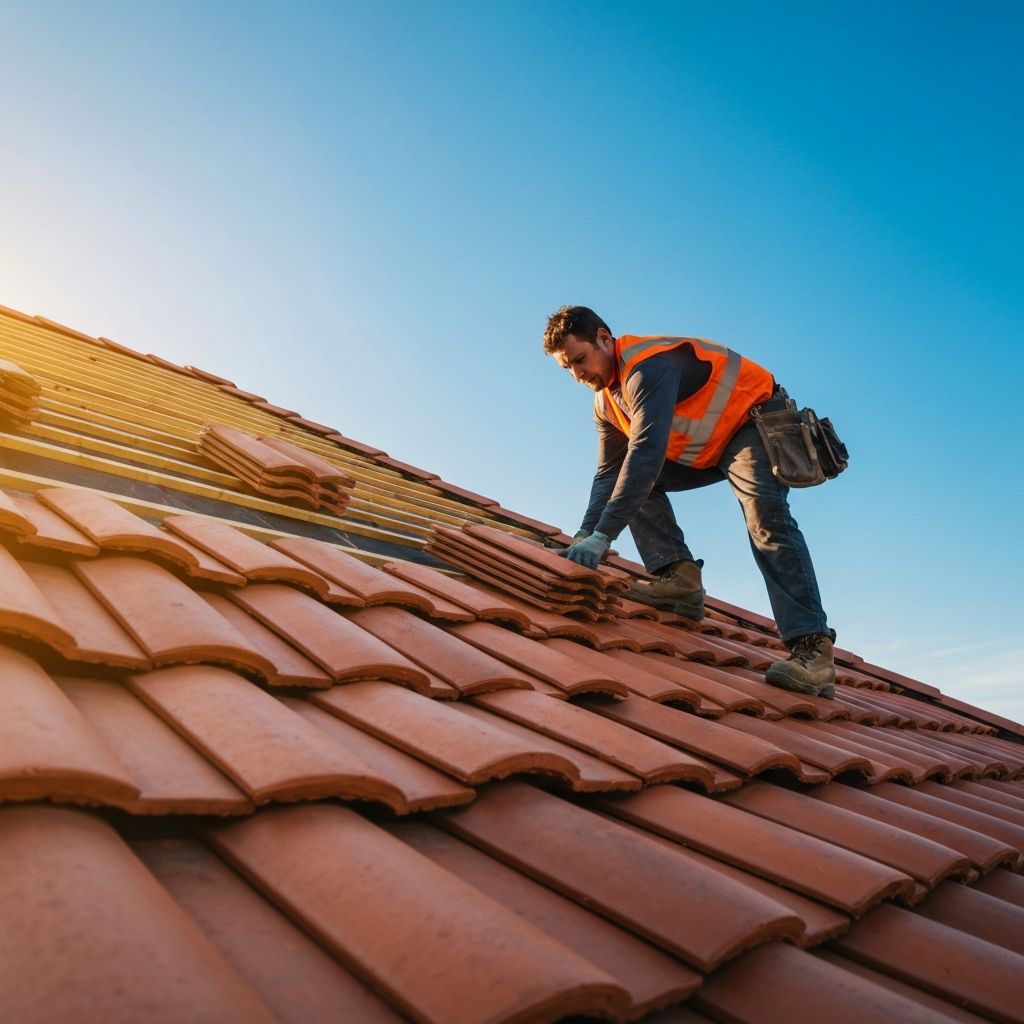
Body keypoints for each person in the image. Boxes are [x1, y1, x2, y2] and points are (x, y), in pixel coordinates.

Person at [542, 304, 836, 698]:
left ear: (603, 338)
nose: (577, 374)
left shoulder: (647, 367)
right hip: (710, 447)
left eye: (580, 360)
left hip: (751, 422)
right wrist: (584, 534)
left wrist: (604, 536)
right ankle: (679, 579)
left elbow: (647, 452)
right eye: (568, 368)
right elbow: (608, 473)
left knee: (764, 517)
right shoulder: (605, 403)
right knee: (627, 482)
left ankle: (813, 649)